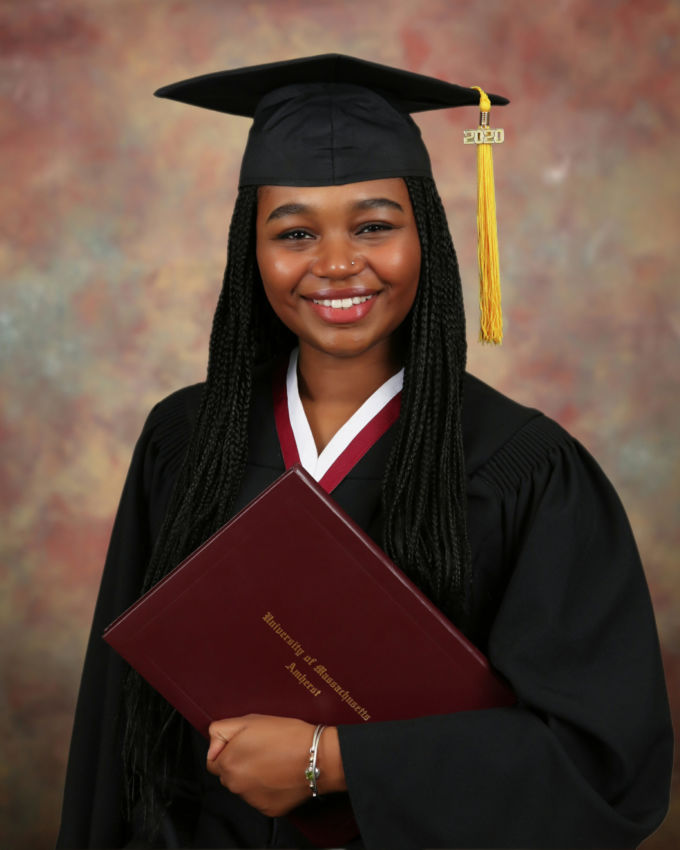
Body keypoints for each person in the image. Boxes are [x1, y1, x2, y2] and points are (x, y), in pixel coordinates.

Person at [56, 55, 672, 849]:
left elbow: (603, 767)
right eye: (295, 232)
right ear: (254, 251)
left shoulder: (525, 471)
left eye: (375, 225)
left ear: (430, 240)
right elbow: (116, 730)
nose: (338, 263)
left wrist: (336, 761)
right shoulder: (185, 442)